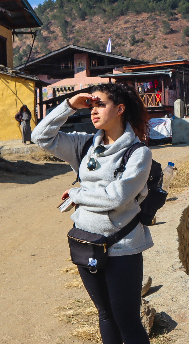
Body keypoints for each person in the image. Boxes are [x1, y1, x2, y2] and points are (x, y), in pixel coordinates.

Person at [32, 83, 152, 344]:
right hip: (87, 243)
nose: (93, 111)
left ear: (120, 109)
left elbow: (117, 197)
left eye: (101, 104)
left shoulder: (138, 153)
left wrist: (77, 194)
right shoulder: (85, 145)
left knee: (128, 321)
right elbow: (40, 136)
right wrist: (69, 105)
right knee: (106, 315)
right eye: (91, 105)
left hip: (122, 247)